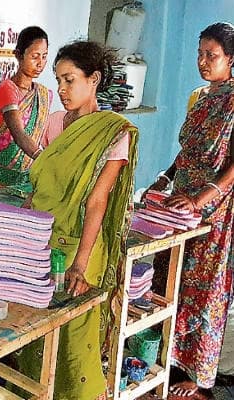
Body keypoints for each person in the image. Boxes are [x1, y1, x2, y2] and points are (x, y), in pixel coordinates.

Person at [20, 41, 138, 400]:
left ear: (94, 79)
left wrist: (80, 265)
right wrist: (20, 231)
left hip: (81, 246)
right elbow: (43, 183)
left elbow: (96, 201)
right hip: (44, 239)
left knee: (73, 341)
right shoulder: (55, 123)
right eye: (58, 80)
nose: (61, 89)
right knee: (35, 331)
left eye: (69, 80)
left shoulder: (113, 133)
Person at [146, 22, 234, 398]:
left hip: (213, 213)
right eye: (200, 54)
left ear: (231, 59)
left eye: (211, 56)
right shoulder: (199, 98)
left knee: (204, 291)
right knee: (168, 278)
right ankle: (165, 358)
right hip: (180, 205)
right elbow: (186, 153)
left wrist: (200, 200)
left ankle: (197, 376)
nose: (202, 61)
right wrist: (164, 178)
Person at [0, 26, 52, 199]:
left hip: (22, 181)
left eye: (44, 56)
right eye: (35, 56)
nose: (40, 63)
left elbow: (43, 136)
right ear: (19, 55)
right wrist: (43, 159)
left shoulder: (44, 95)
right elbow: (19, 134)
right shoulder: (8, 89)